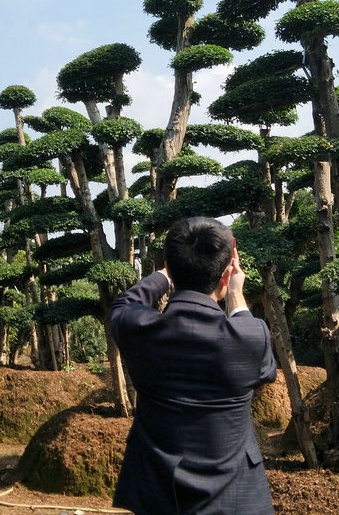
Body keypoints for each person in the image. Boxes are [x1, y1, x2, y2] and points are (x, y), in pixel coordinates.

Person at [109, 216, 277, 515]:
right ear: (227, 275)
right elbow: (266, 371)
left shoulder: (139, 329)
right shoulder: (251, 337)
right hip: (236, 498)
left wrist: (164, 274)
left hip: (160, 495)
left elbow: (124, 303)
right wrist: (236, 295)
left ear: (171, 269)